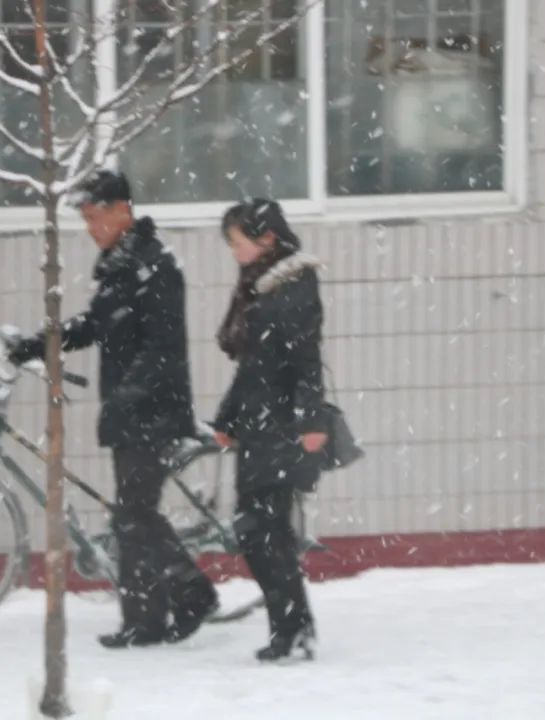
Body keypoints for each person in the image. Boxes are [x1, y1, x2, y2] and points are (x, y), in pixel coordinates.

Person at [8, 170, 218, 648]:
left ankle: (192, 594)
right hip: (131, 410)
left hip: (154, 409)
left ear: (123, 209)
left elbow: (163, 346)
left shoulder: (154, 266)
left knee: (133, 515)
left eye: (95, 217)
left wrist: (128, 394)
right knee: (131, 517)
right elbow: (95, 325)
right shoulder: (120, 266)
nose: (90, 228)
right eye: (84, 219)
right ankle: (145, 620)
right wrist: (39, 344)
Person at [211, 198, 327, 662]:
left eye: (237, 242)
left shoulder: (293, 286)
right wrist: (227, 418)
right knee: (264, 532)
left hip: (280, 425)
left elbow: (306, 359)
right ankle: (293, 625)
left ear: (267, 239)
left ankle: (291, 626)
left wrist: (312, 419)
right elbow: (250, 365)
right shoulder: (261, 284)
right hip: (259, 422)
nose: (234, 251)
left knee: (260, 531)